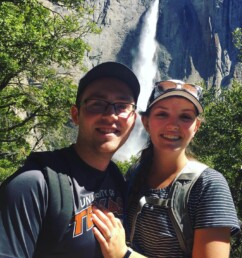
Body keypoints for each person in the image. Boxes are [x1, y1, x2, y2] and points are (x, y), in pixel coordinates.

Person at [0, 61, 140, 258]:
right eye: (97, 104)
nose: (110, 115)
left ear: (133, 120)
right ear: (76, 115)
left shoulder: (119, 180)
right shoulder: (33, 185)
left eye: (122, 105)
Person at [91, 79, 241, 258]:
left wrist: (124, 255)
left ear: (196, 127)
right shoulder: (135, 173)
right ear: (146, 123)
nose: (173, 125)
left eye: (185, 117)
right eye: (162, 114)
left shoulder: (209, 186)